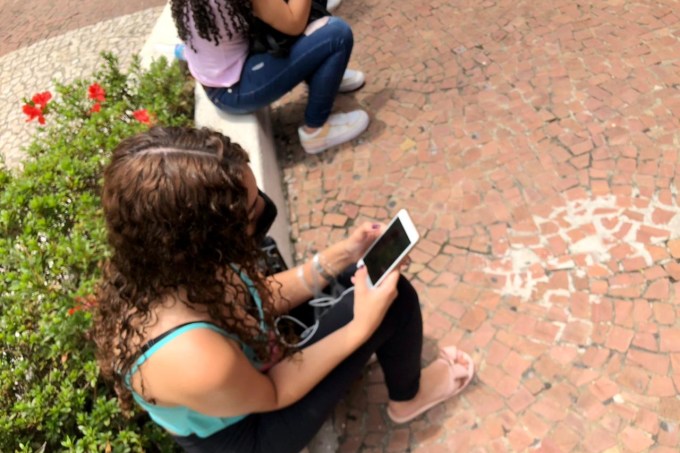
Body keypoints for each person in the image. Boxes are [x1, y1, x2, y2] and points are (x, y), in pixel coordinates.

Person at [93, 126, 475, 453]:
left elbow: (255, 297)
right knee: (393, 303)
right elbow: (274, 392)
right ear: (203, 239)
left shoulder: (167, 264)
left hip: (246, 372)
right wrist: (360, 326)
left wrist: (341, 255)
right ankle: (408, 398)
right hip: (253, 430)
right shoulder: (192, 356)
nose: (263, 208)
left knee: (362, 274)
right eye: (252, 209)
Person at [170, 0, 369, 154]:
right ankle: (316, 131)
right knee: (337, 34)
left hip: (226, 70)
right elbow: (293, 23)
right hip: (234, 89)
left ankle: (325, 73)